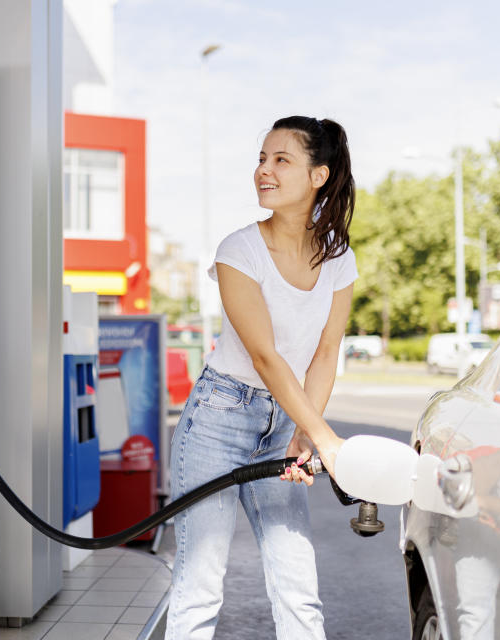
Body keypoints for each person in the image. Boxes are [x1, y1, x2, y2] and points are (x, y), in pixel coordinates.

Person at [167, 116, 358, 639]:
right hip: (218, 420)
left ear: (318, 175)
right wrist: (325, 439)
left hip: (282, 425)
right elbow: (265, 355)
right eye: (261, 159)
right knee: (201, 583)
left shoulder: (340, 258)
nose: (263, 171)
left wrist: (301, 435)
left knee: (298, 581)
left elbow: (325, 353)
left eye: (281, 160)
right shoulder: (239, 250)